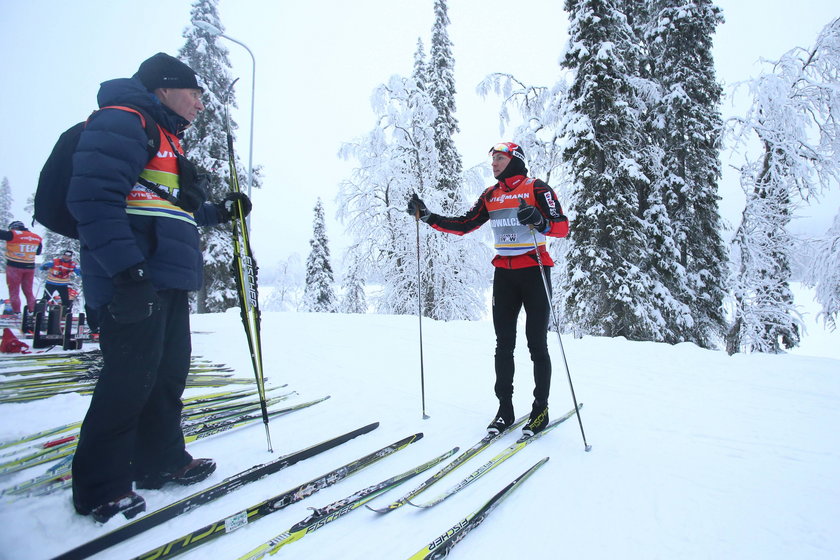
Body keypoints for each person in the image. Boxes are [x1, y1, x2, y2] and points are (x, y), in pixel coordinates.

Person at [67, 52, 252, 523]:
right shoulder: (123, 121)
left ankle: (160, 461)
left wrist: (219, 212)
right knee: (127, 381)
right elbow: (92, 198)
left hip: (163, 279)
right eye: (194, 92)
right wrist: (127, 272)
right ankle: (100, 487)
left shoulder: (165, 137)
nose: (200, 103)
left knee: (167, 375)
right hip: (131, 278)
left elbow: (168, 208)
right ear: (165, 88)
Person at [406, 142, 569, 437]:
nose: (494, 164)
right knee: (503, 345)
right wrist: (428, 216)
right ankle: (504, 410)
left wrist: (540, 221)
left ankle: (540, 410)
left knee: (537, 345)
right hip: (504, 275)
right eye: (493, 159)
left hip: (535, 270)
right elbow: (465, 224)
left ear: (515, 160)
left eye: (500, 158)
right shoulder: (490, 195)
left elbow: (562, 226)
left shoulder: (537, 188)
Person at [1, 221, 43, 316]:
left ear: (13, 228)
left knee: (14, 291)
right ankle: (32, 311)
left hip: (14, 267)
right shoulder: (36, 237)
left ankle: (17, 312)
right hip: (29, 267)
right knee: (28, 291)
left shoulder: (13, 234)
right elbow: (38, 252)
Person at [39, 250, 81, 314]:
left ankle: (65, 314)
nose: (66, 257)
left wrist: (84, 274)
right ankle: (39, 311)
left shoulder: (73, 264)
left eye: (68, 256)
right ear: (63, 255)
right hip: (51, 283)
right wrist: (44, 267)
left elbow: (79, 271)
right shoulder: (55, 261)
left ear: (71, 257)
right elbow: (43, 266)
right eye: (65, 256)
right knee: (46, 297)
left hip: (63, 285)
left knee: (65, 300)